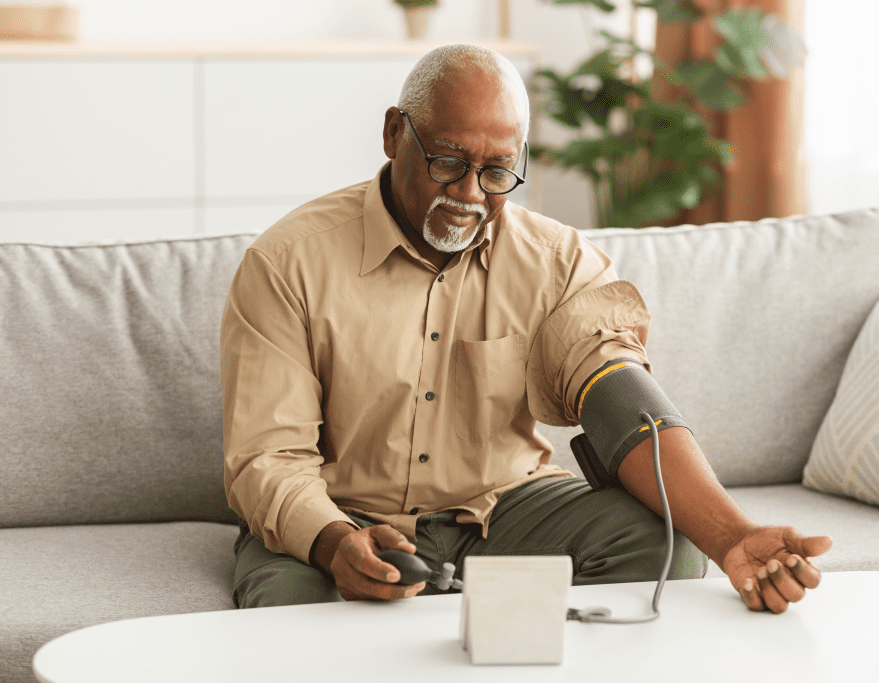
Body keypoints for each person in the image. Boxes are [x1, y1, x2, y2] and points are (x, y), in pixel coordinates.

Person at [220, 43, 832, 615]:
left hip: (503, 510)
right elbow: (267, 458)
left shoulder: (559, 262)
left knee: (664, 543)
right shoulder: (288, 263)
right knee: (288, 611)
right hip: (341, 513)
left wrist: (733, 536)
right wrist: (331, 543)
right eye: (448, 161)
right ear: (392, 134)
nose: (468, 192)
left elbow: (620, 400)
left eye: (496, 171)